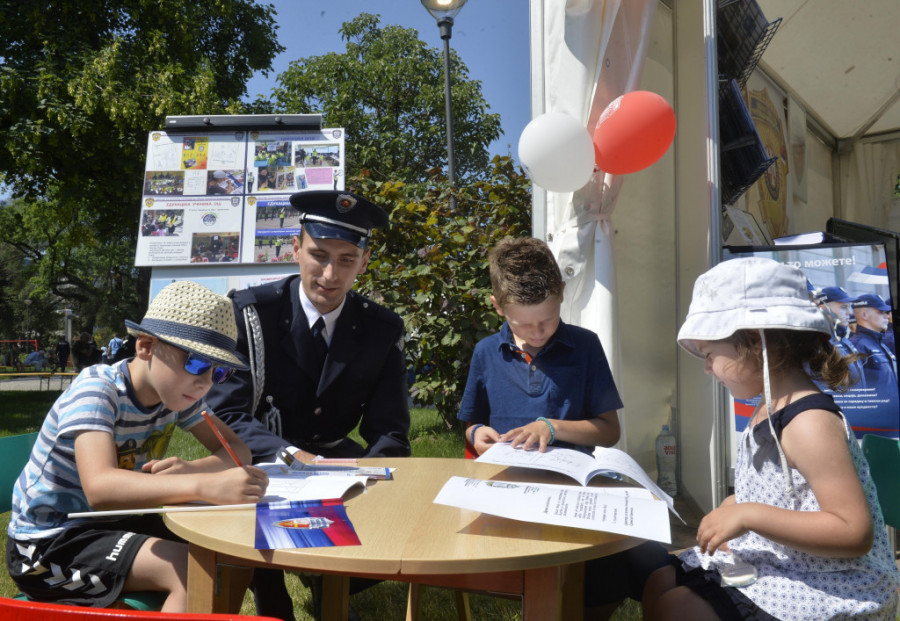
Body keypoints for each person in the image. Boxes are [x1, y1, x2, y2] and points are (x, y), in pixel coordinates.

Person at [642, 257, 900, 621]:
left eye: (709, 354)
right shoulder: (768, 404)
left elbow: (852, 531)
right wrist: (738, 502)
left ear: (754, 342)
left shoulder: (809, 422)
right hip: (790, 560)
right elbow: (787, 491)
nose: (707, 368)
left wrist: (750, 514)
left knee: (677, 607)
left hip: (834, 582)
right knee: (659, 581)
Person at [204, 189, 411, 620]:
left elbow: (389, 430)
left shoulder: (381, 329)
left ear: (364, 262)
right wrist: (294, 458)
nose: (330, 274)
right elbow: (224, 414)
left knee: (397, 527)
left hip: (335, 460)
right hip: (261, 458)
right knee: (260, 541)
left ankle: (327, 580)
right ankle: (270, 586)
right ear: (295, 249)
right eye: (319, 255)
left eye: (347, 259)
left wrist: (369, 479)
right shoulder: (251, 314)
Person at [5, 280, 268, 613]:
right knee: (189, 571)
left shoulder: (178, 396)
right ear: (146, 346)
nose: (205, 382)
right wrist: (204, 484)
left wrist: (190, 470)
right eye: (196, 362)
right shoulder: (98, 391)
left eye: (220, 372)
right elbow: (101, 487)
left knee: (232, 551)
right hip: (48, 545)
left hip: (112, 525)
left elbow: (237, 451)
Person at [458, 237, 667, 618]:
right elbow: (474, 423)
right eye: (524, 323)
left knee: (631, 561)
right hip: (509, 491)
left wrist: (553, 428)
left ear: (563, 294)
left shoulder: (585, 346)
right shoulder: (486, 352)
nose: (538, 332)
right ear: (497, 306)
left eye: (549, 319)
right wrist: (475, 434)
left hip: (574, 491)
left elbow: (609, 430)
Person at [812, 285, 865, 387]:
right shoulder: (818, 342)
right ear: (823, 308)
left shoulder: (842, 338)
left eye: (849, 307)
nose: (849, 312)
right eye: (843, 307)